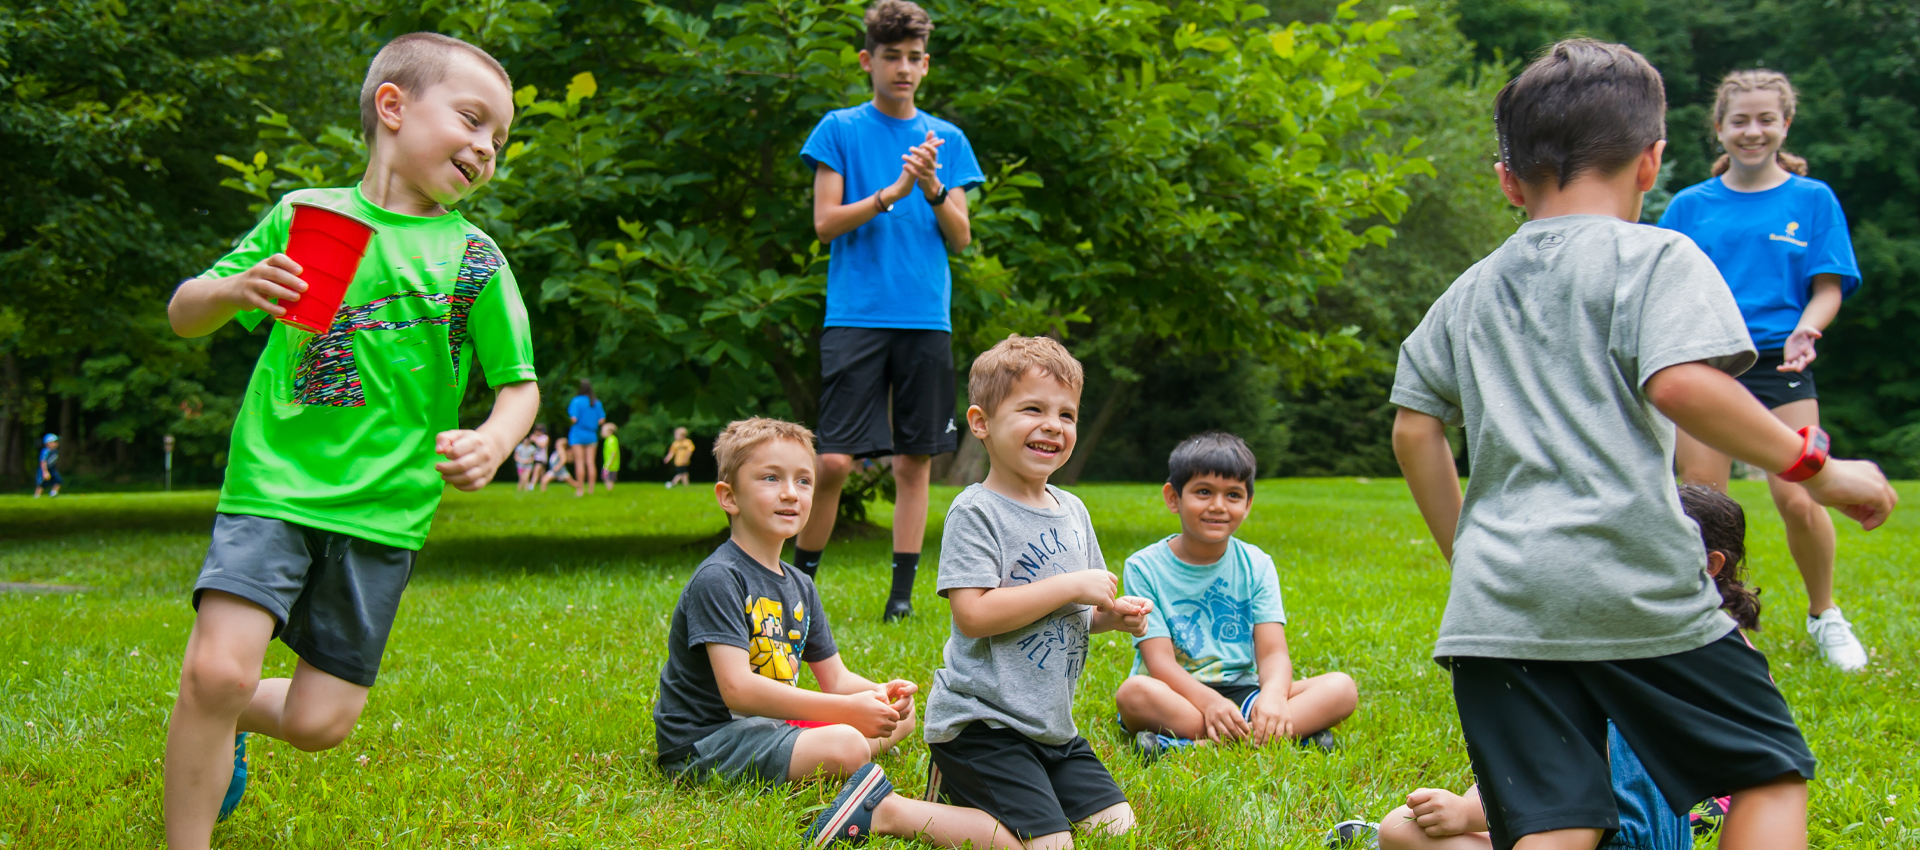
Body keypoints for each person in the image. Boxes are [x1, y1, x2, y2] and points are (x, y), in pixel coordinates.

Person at [1389, 38, 1895, 850]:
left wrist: (1467, 548)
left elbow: (1415, 426)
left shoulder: (1468, 290)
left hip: (1497, 605)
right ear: (1651, 162)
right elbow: (1683, 386)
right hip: (1634, 588)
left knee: (1557, 827)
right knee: (1767, 775)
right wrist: (1818, 469)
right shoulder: (1657, 256)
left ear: (1507, 179)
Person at [158, 32, 538, 850]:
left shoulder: (474, 259)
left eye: (500, 139)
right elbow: (185, 313)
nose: (486, 148)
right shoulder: (307, 217)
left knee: (319, 722)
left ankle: (229, 718)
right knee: (216, 673)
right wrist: (236, 287)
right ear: (392, 107)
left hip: (385, 507)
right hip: (274, 481)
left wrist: (496, 438)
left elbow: (520, 384)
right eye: (472, 120)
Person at [806, 334, 1153, 848]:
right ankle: (888, 811)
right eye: (1033, 409)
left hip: (1052, 729)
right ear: (981, 422)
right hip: (982, 725)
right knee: (1048, 846)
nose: (1053, 425)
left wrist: (1113, 616)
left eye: (1067, 414)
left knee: (1117, 830)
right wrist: (1068, 585)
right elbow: (973, 615)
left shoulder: (1073, 511)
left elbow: (1079, 609)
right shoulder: (976, 511)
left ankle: (971, 796)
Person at [1361, 486, 1761, 850]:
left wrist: (1467, 813)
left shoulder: (1636, 654)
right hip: (1592, 825)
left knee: (1401, 830)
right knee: (1397, 828)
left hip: (1617, 836)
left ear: (1709, 564)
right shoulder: (1706, 649)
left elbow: (1569, 773)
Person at [1656, 69, 1868, 671]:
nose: (1753, 131)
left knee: (1800, 495)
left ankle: (1825, 614)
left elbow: (1828, 286)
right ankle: (1711, 623)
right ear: (1719, 128)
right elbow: (1660, 288)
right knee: (1705, 502)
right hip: (1706, 362)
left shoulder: (1813, 199)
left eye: (1766, 119)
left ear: (1786, 124)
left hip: (1782, 360)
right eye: (1740, 120)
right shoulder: (1689, 206)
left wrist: (1808, 328)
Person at [794, 0, 986, 621]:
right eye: (891, 57)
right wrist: (891, 193)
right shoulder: (839, 130)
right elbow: (825, 223)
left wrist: (930, 187)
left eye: (913, 58)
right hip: (855, 314)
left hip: (925, 317)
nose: (903, 68)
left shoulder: (946, 139)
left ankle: (900, 599)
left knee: (913, 460)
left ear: (926, 65)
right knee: (833, 459)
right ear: (867, 61)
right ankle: (799, 588)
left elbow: (961, 236)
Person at [653, 417, 919, 787]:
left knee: (902, 717)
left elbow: (836, 679)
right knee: (847, 744)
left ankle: (833, 747)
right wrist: (847, 711)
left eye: (804, 481)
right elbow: (738, 690)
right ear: (729, 497)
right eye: (771, 478)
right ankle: (840, 750)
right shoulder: (720, 577)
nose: (791, 493)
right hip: (709, 742)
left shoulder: (801, 585)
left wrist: (879, 695)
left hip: (770, 726)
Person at [1115, 431, 1358, 758]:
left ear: (1248, 504)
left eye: (1233, 495)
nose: (1218, 506)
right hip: (1178, 694)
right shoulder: (1144, 566)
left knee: (1342, 688)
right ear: (1173, 497)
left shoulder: (1257, 564)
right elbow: (1160, 662)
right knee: (1133, 694)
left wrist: (1273, 697)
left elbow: (1273, 654)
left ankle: (1192, 745)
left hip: (1246, 694)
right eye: (1203, 492)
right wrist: (1210, 703)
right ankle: (1280, 735)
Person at [566, 378, 605, 496]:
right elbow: (602, 420)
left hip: (578, 434)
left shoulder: (576, 401)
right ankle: (591, 489)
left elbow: (574, 419)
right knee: (590, 462)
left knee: (579, 463)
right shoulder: (596, 402)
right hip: (591, 435)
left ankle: (580, 490)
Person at [33, 433, 61, 498]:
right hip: (44, 469)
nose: (56, 443)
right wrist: (45, 471)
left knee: (58, 481)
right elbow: (43, 462)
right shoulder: (45, 451)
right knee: (41, 484)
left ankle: (53, 493)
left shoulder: (55, 451)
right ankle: (36, 496)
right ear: (48, 443)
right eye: (54, 442)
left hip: (52, 469)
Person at [599, 421, 621, 491]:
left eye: (603, 431)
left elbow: (613, 453)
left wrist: (609, 463)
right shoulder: (608, 440)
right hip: (608, 464)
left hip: (611, 465)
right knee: (605, 477)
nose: (601, 433)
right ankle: (609, 490)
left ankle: (610, 490)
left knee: (609, 478)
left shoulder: (612, 440)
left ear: (609, 432)